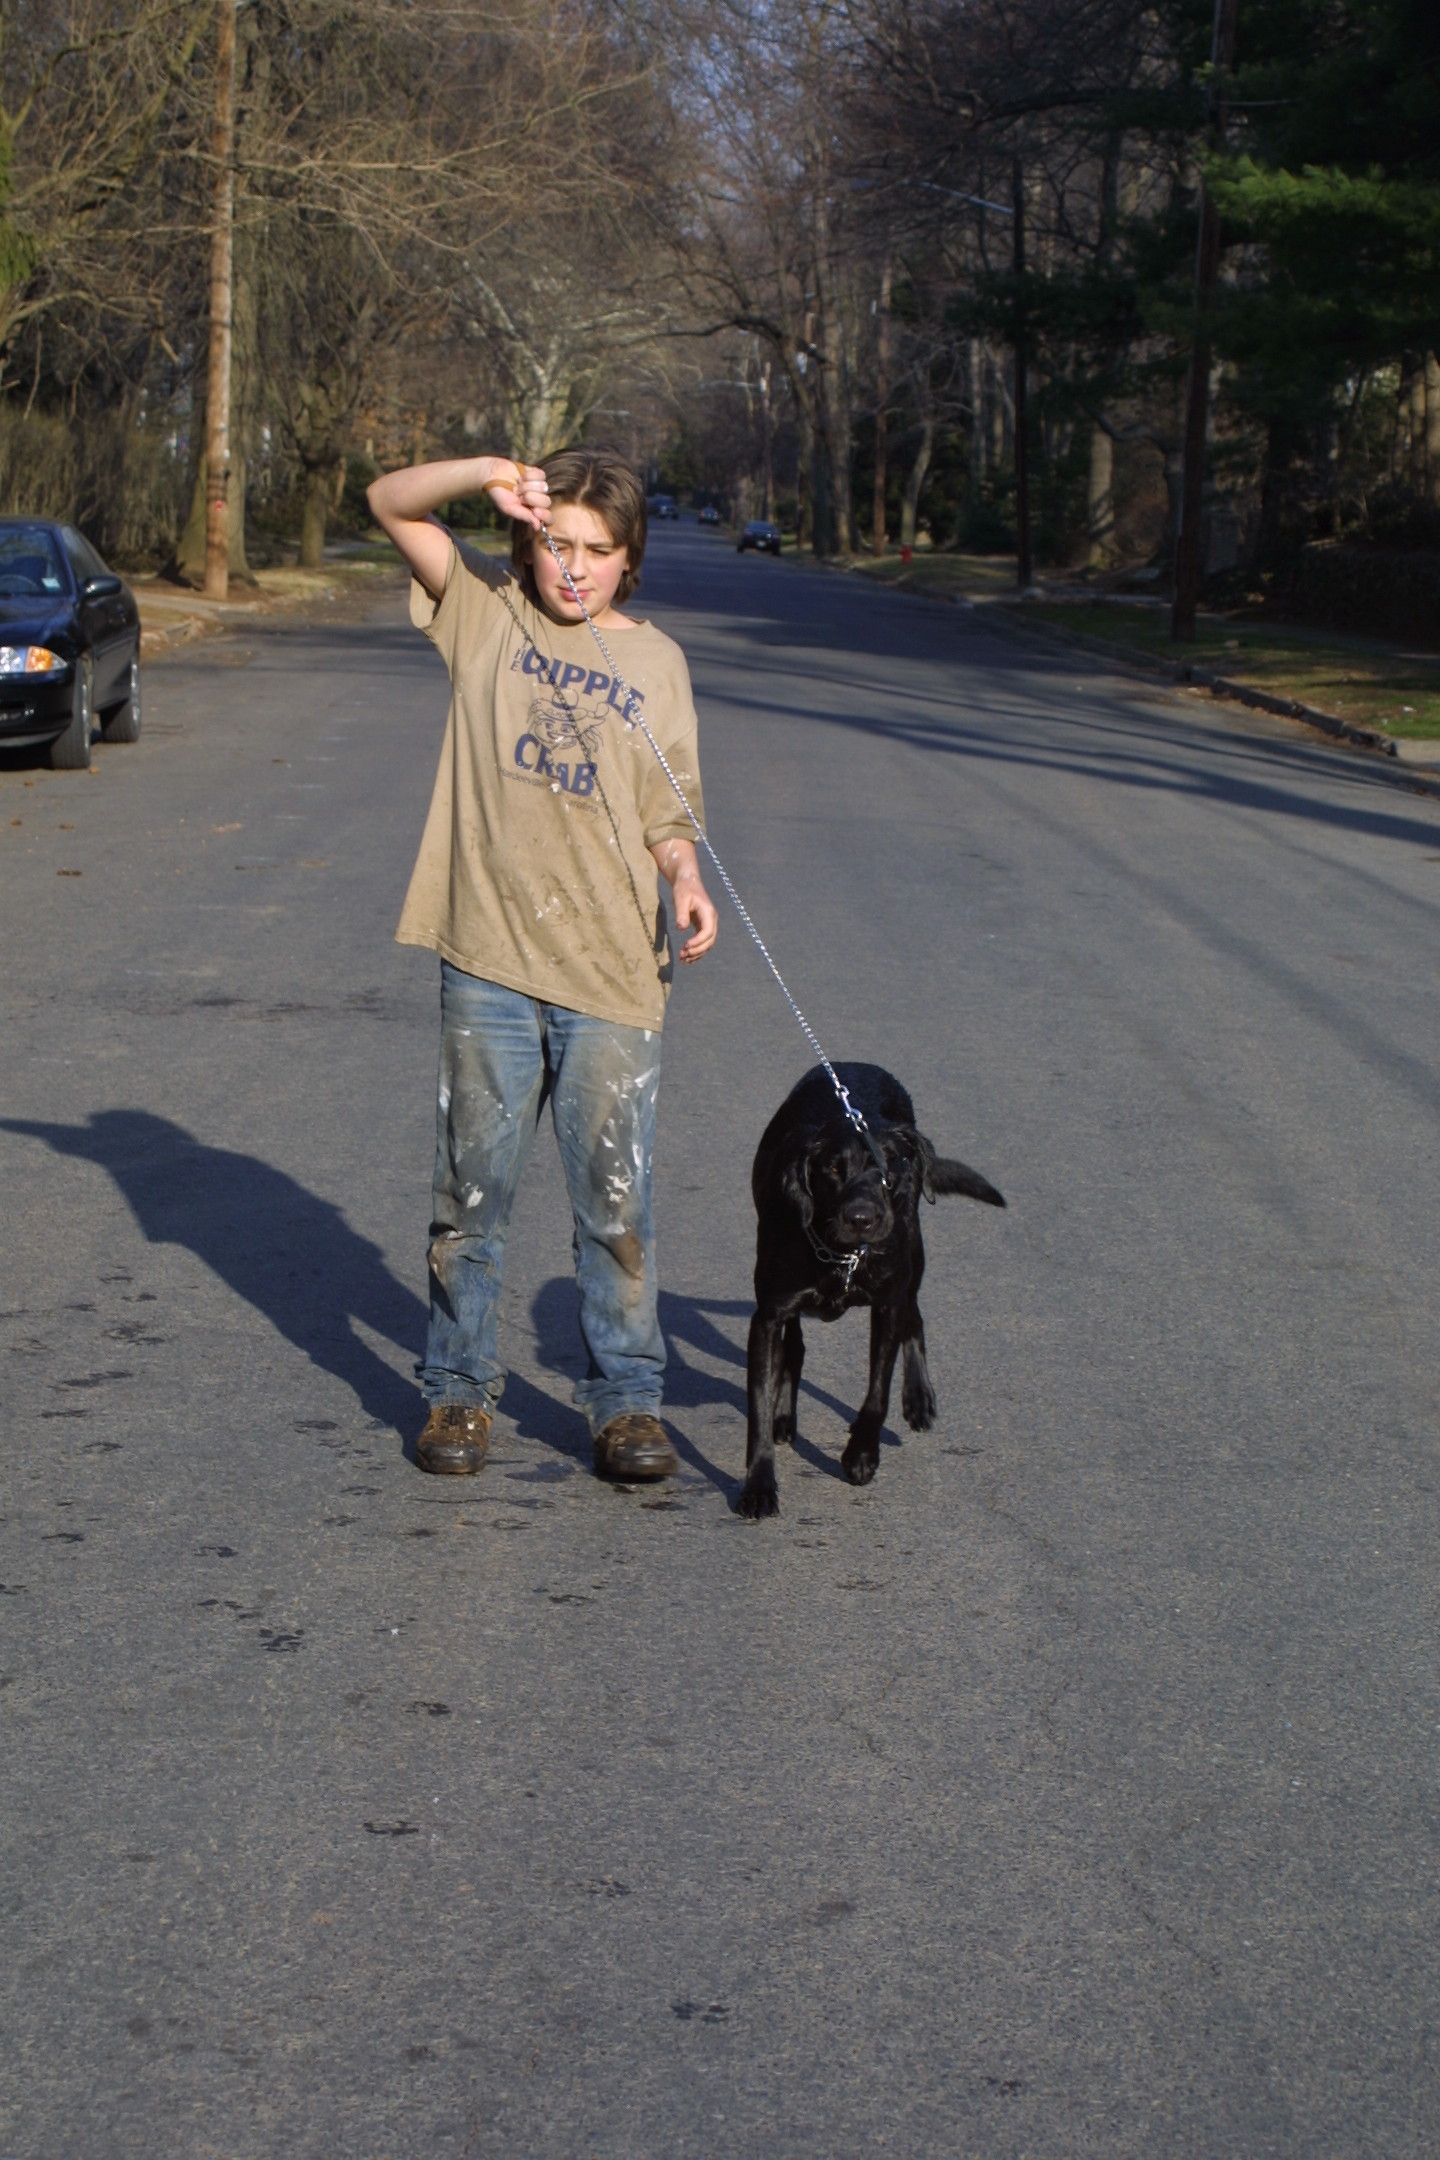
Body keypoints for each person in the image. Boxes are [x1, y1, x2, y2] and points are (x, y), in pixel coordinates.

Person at [366, 447, 718, 1484]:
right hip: (489, 961)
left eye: (597, 551)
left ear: (629, 559)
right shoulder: (486, 613)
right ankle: (457, 1393)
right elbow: (388, 501)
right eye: (557, 544)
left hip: (613, 972)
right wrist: (487, 470)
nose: (574, 568)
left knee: (616, 1207)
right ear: (527, 543)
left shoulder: (659, 664)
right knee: (470, 1198)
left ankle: (627, 1407)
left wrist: (685, 877)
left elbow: (669, 810)